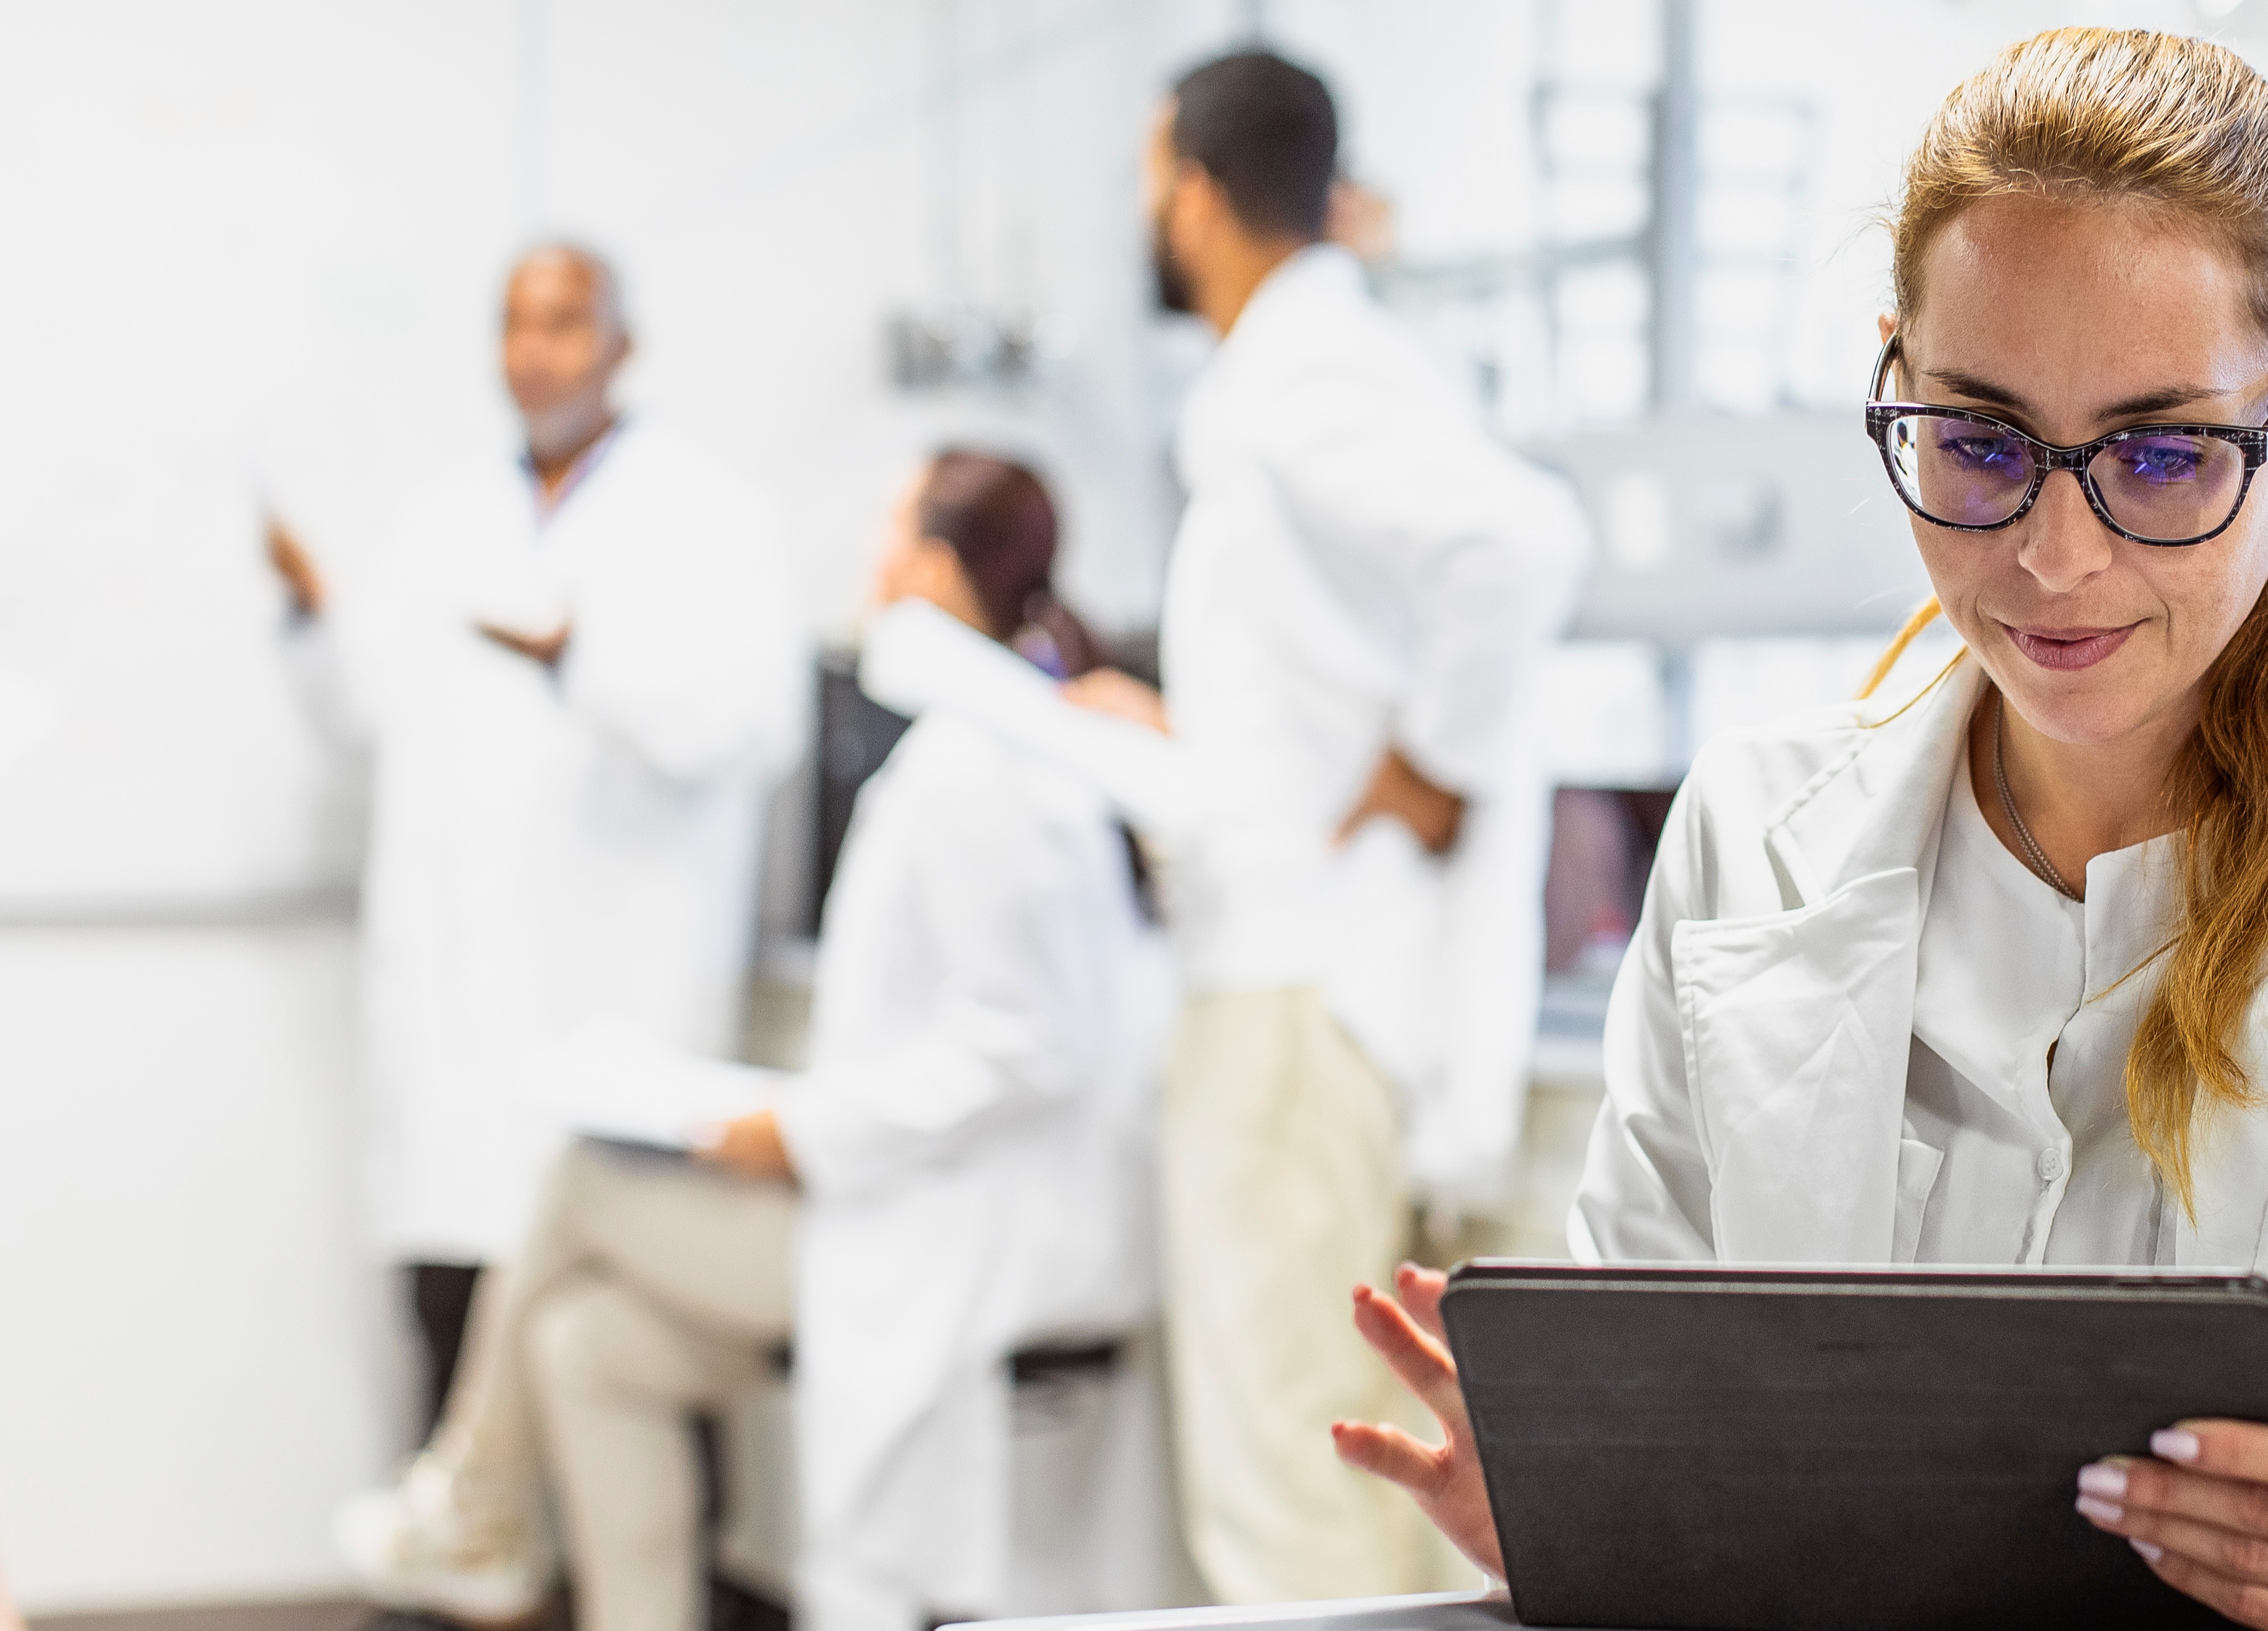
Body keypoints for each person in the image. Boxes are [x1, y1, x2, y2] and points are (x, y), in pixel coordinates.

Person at [1334, 28, 2268, 1631]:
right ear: (1895, 384)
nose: (2055, 557)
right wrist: (1594, 1506)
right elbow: (1667, 1424)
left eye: (2162, 453)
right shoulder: (1749, 830)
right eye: (1980, 444)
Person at [861, 50, 1590, 1604]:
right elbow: (1326, 682)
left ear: (1191, 192)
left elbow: (1519, 546)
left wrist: (1430, 764)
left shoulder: (1300, 367)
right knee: (1334, 1482)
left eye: (1149, 179)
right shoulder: (1298, 371)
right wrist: (1188, 739)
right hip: (1296, 982)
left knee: (1288, 1490)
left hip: (1288, 1003)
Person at [338, 452, 1175, 1631]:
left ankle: (472, 1500)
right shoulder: (978, 749)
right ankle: (502, 1530)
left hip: (959, 1236)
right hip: (917, 1199)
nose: (868, 561)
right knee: (586, 1344)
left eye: (888, 530)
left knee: (581, 1178)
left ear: (934, 571)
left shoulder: (985, 769)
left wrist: (800, 1129)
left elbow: (1027, 1046)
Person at [269, 242, 804, 1429]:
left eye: (562, 324)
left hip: (620, 977)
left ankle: (646, 1552)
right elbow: (368, 710)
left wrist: (581, 662)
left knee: (625, 1332)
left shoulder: (711, 518)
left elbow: (753, 724)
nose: (533, 352)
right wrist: (312, 617)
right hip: (460, 998)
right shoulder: (445, 520)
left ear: (623, 343)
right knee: (454, 1308)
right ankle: (463, 1546)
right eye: (514, 325)